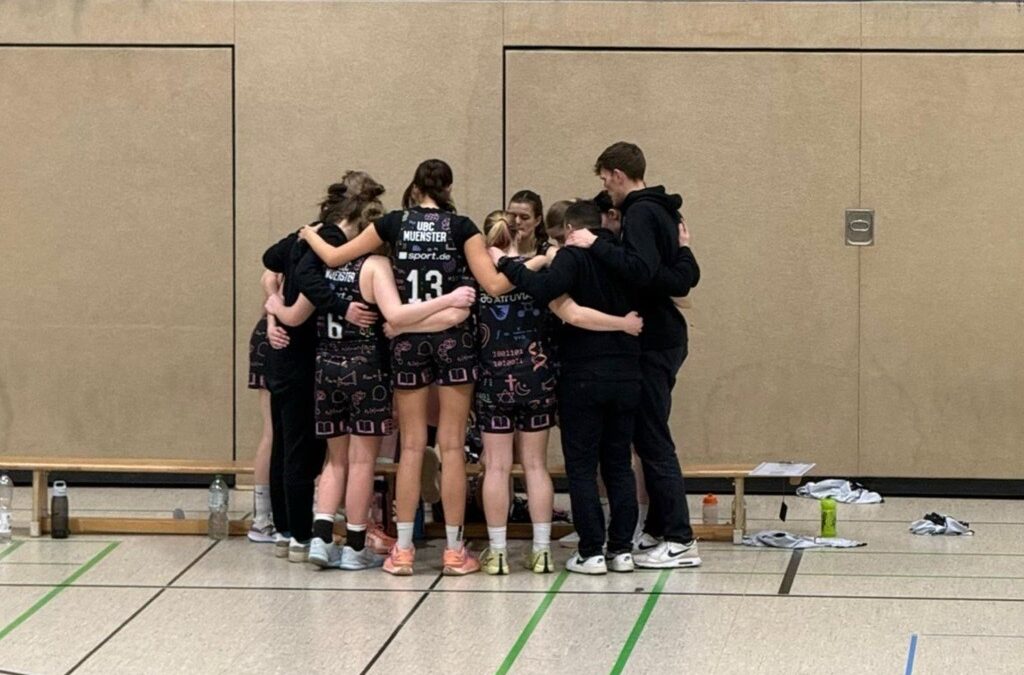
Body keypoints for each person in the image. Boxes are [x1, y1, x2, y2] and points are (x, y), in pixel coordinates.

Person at [299, 159, 546, 576]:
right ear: (448, 190)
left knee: (412, 446)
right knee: (451, 446)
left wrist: (309, 234)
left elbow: (336, 256)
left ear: (414, 189)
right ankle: (454, 550)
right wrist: (535, 263)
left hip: (408, 341)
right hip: (453, 340)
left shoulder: (393, 223)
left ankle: (404, 550)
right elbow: (494, 285)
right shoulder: (462, 227)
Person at [267, 176, 474, 570]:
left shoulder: (323, 268)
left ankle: (319, 539)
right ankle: (355, 545)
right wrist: (447, 302)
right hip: (365, 370)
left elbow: (288, 298)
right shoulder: (377, 267)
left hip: (326, 367)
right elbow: (397, 316)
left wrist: (273, 307)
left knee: (334, 462)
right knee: (362, 463)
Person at [476, 211, 642, 575]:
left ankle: (499, 552)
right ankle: (544, 551)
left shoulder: (480, 277)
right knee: (540, 466)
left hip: (494, 380)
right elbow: (570, 312)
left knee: (498, 467)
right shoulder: (548, 272)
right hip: (539, 379)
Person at [567, 142, 701, 569]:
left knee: (652, 440)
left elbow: (641, 270)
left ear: (618, 174)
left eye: (605, 178)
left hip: (654, 340)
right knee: (647, 438)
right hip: (667, 337)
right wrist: (684, 251)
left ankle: (681, 538)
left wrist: (594, 244)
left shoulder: (641, 212)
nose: (605, 185)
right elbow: (683, 278)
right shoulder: (663, 211)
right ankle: (660, 528)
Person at [261, 180, 379, 562]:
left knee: (284, 444)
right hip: (303, 357)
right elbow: (305, 293)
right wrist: (335, 308)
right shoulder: (328, 240)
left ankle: (283, 529)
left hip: (283, 353)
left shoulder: (306, 233)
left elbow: (268, 263)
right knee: (303, 451)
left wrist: (272, 306)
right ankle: (300, 533)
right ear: (356, 217)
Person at [246, 311, 277, 543]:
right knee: (273, 432)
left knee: (273, 432)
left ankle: (263, 517)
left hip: (272, 334)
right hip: (277, 339)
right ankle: (262, 517)